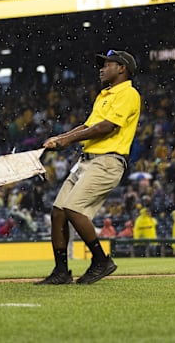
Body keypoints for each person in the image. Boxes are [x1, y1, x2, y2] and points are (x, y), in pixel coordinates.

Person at [36, 49, 141, 285]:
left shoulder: (128, 93)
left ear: (122, 68)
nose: (102, 68)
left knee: (74, 208)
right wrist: (60, 138)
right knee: (58, 212)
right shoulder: (105, 94)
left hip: (108, 161)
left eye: (107, 64)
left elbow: (107, 127)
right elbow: (88, 125)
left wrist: (67, 140)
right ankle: (61, 271)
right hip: (87, 161)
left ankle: (101, 261)